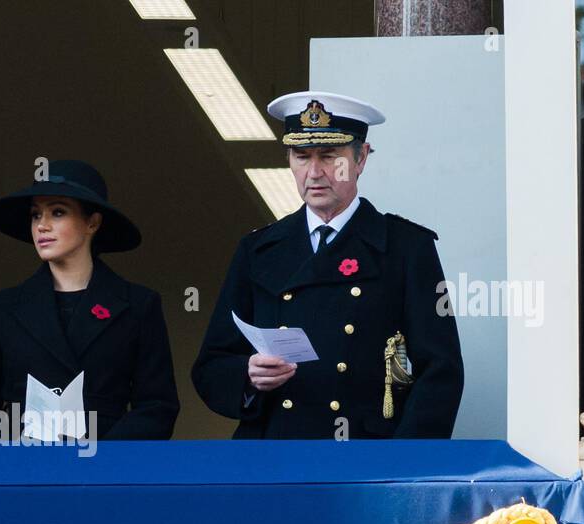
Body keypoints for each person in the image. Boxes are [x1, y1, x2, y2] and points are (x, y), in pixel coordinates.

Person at [191, 91, 463, 439]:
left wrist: (402, 462)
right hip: (275, 448)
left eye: (330, 156)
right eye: (301, 156)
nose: (315, 172)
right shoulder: (259, 249)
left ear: (361, 158)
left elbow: (441, 370)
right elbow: (212, 363)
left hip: (364, 454)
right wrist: (247, 375)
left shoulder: (406, 248)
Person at [0, 159, 178, 441]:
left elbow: (157, 407)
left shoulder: (139, 305)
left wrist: (103, 457)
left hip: (103, 471)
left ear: (92, 223)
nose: (42, 226)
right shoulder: (4, 308)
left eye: (57, 212)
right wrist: (12, 452)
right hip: (24, 470)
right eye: (36, 215)